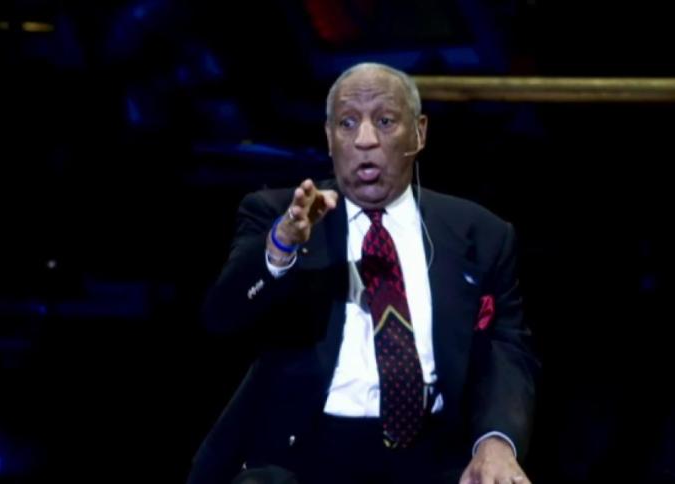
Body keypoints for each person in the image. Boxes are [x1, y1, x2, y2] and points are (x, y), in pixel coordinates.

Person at [188, 63, 538, 484]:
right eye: (347, 123)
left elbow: (505, 349)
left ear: (419, 133)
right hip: (304, 455)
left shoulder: (480, 233)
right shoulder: (281, 216)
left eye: (385, 121)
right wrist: (281, 247)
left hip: (433, 456)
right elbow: (221, 316)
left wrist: (496, 441)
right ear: (329, 137)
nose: (365, 139)